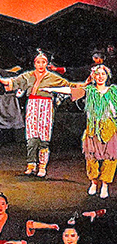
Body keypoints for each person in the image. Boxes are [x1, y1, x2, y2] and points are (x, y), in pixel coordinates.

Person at [41, 65, 117, 198]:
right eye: (97, 74)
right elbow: (69, 90)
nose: (100, 77)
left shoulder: (113, 91)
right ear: (93, 76)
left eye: (103, 74)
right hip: (93, 128)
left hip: (109, 127)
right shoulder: (89, 90)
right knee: (91, 157)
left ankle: (105, 185)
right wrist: (50, 89)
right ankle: (94, 182)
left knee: (110, 158)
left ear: (107, 76)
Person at [0, 50, 71, 178]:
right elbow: (15, 81)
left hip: (45, 106)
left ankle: (42, 166)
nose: (41, 65)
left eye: (43, 62)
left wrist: (83, 85)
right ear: (34, 63)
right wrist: (1, 80)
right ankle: (31, 164)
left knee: (44, 136)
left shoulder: (53, 77)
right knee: (31, 135)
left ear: (47, 64)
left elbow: (68, 86)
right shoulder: (28, 75)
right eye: (38, 62)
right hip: (32, 104)